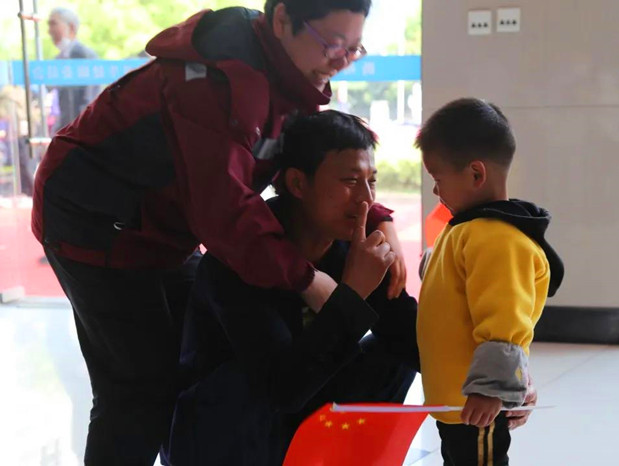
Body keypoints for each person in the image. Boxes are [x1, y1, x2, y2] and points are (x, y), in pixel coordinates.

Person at [32, 2, 407, 464]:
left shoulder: (289, 74)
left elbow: (314, 157)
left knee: (195, 359)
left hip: (167, 225)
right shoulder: (213, 82)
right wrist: (312, 281)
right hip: (94, 221)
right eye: (333, 44)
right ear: (282, 19)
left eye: (354, 49)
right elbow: (226, 210)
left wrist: (380, 218)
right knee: (138, 388)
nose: (341, 60)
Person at [165, 110, 419, 465]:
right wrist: (352, 294)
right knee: (244, 379)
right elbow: (282, 389)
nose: (366, 199)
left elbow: (413, 338)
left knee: (394, 354)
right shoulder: (241, 258)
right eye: (350, 181)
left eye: (371, 181)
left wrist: (487, 379)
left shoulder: (355, 248)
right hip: (221, 434)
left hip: (293, 417)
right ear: (298, 183)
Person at [416, 98, 565, 465]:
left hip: (478, 403)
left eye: (438, 179)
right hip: (458, 403)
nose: (436, 191)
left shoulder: (497, 239)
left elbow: (504, 322)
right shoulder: (466, 230)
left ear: (475, 174)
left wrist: (491, 390)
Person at [47, 7, 100, 132]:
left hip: (82, 129)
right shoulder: (59, 59)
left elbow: (89, 98)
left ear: (71, 27)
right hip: (68, 128)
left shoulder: (84, 56)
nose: (49, 31)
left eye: (53, 24)